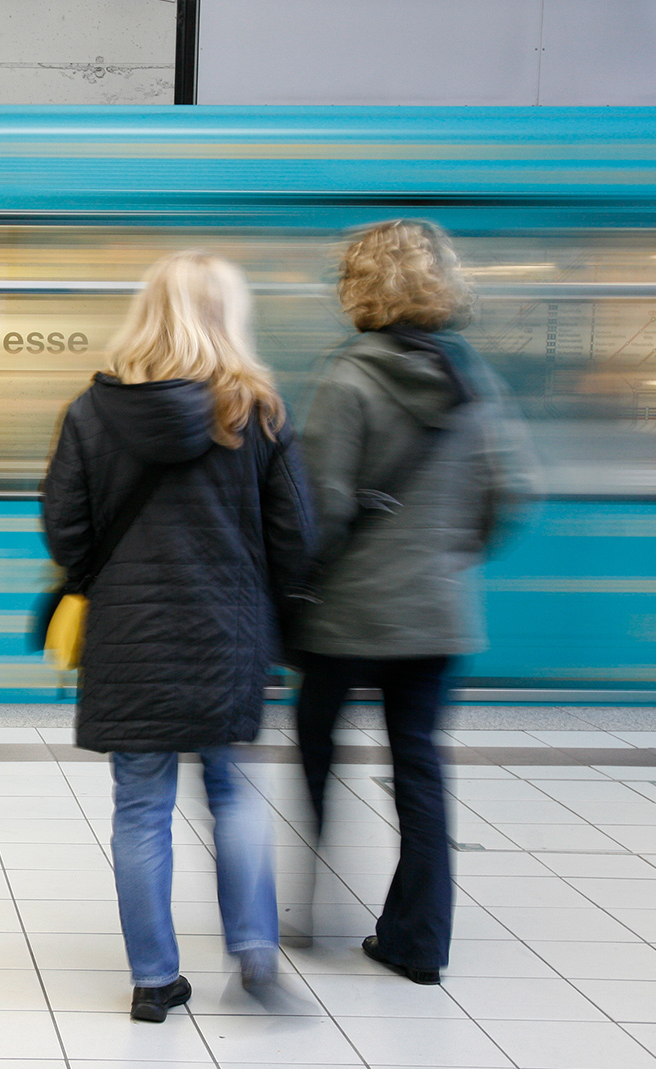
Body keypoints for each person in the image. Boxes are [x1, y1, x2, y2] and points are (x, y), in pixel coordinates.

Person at [42, 250, 314, 1022]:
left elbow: (65, 534)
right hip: (229, 634)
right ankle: (255, 952)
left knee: (140, 806)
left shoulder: (90, 413)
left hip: (129, 637)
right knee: (233, 791)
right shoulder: (259, 410)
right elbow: (297, 537)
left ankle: (155, 979)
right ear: (229, 316)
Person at [289, 219, 535, 984]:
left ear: (359, 286)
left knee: (316, 756)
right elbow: (516, 487)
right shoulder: (474, 380)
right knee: (420, 771)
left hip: (342, 616)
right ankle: (418, 941)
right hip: (434, 617)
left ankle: (308, 911)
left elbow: (318, 508)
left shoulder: (349, 377)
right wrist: (450, 557)